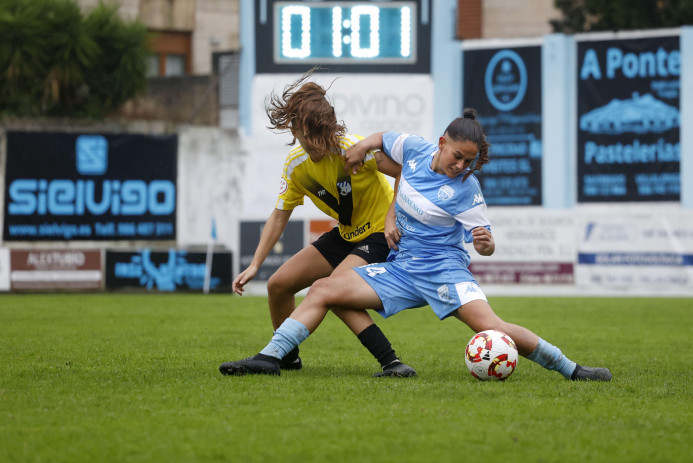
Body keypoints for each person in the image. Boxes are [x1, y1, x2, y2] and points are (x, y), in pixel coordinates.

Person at [233, 108, 612, 381]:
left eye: (470, 161)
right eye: (457, 156)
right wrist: (361, 149)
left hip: (444, 271)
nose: (462, 165)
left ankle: (572, 369)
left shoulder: (468, 189)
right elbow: (382, 138)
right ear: (441, 142)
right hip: (401, 269)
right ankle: (271, 357)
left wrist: (486, 243)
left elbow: (486, 247)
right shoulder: (414, 150)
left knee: (491, 327)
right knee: (323, 288)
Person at [219, 70, 416, 377]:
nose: (309, 142)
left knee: (332, 290)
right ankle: (288, 358)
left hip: (377, 234)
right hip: (346, 234)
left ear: (328, 127)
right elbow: (279, 214)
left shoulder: (355, 150)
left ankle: (392, 363)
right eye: (302, 133)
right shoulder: (296, 165)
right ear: (293, 129)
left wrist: (392, 218)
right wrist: (256, 264)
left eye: (315, 134)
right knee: (278, 285)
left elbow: (404, 172)